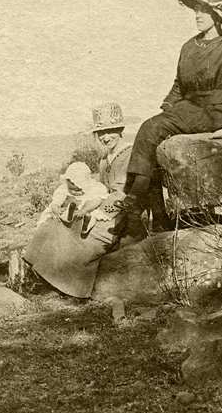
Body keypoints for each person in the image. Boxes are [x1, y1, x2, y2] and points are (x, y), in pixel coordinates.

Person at [113, 0, 222, 239]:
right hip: (188, 108)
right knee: (151, 130)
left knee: (154, 129)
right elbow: (178, 86)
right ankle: (157, 217)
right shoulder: (188, 46)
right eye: (196, 10)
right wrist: (166, 111)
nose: (198, 15)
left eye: (205, 11)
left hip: (216, 110)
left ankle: (136, 198)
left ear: (219, 16)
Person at [23, 104, 137, 298]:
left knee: (78, 236)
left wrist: (97, 211)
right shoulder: (104, 159)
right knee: (56, 223)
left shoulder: (129, 155)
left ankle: (68, 287)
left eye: (110, 131)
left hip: (119, 215)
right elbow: (99, 190)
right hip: (100, 208)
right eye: (101, 132)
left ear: (121, 130)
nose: (106, 137)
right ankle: (43, 276)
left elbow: (122, 194)